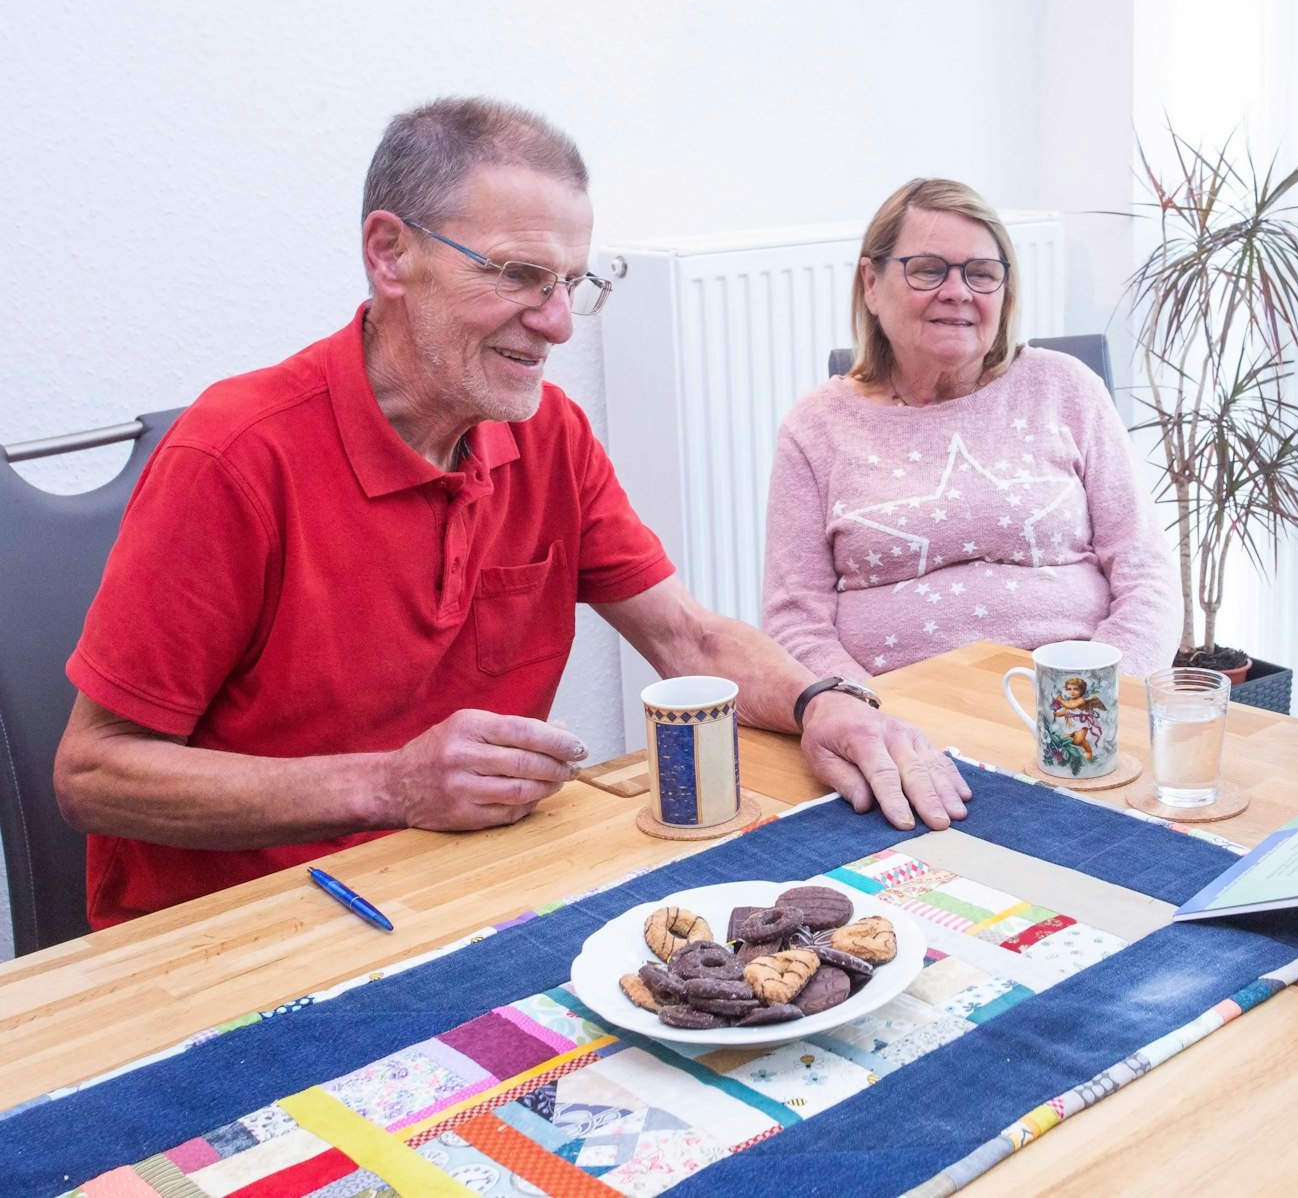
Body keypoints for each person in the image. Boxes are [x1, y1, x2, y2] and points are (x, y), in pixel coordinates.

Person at [54, 98, 969, 929]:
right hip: (238, 936)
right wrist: (389, 785)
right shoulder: (235, 456)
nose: (561, 322)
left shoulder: (547, 436)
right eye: (521, 275)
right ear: (389, 252)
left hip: (460, 891)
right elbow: (93, 774)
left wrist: (823, 704)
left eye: (574, 281)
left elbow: (687, 641)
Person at [762, 177, 1179, 681]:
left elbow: (1147, 579)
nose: (957, 292)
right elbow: (795, 624)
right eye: (928, 270)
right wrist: (871, 717)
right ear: (871, 284)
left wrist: (1091, 701)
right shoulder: (816, 429)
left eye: (982, 274)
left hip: (1073, 717)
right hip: (896, 725)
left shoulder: (1067, 389)